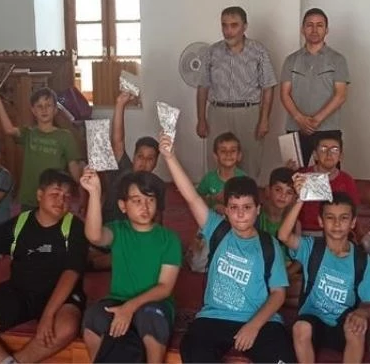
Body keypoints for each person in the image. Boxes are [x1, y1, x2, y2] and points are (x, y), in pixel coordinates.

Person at [161, 133, 296, 363]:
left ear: (258, 209)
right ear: (226, 210)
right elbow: (191, 197)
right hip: (215, 317)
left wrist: (253, 326)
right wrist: (170, 157)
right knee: (193, 350)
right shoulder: (217, 229)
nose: (240, 214)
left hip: (260, 320)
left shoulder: (268, 244)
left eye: (247, 207)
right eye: (234, 207)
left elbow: (278, 294)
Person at [0, 169, 87, 363]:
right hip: (20, 290)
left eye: (66, 196)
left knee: (66, 327)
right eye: (55, 194)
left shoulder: (75, 227)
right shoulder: (19, 224)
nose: (61, 200)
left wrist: (49, 315)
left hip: (61, 296)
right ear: (40, 195)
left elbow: (71, 273)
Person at [80, 168, 182, 363]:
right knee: (94, 318)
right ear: (123, 205)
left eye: (150, 200)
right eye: (137, 201)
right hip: (118, 299)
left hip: (155, 303)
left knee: (150, 318)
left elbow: (165, 287)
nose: (145, 207)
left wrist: (129, 308)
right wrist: (94, 193)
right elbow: (94, 235)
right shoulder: (118, 231)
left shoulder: (169, 239)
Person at [278, 187, 370, 364]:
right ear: (320, 221)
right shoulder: (311, 248)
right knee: (300, 328)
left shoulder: (362, 260)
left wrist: (361, 313)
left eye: (344, 218)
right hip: (313, 319)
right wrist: (301, 199)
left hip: (343, 320)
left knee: (356, 328)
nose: (337, 224)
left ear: (353, 222)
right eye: (330, 217)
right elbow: (284, 235)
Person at [196, 6, 277, 181]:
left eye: (234, 25)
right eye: (224, 25)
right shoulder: (212, 52)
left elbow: (268, 87)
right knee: (217, 164)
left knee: (249, 162)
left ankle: (247, 197)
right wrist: (201, 119)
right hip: (218, 113)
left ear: (244, 26)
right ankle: (216, 198)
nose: (228, 31)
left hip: (248, 114)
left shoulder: (258, 51)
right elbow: (203, 87)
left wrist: (264, 119)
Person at [0, 86, 83, 210]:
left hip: (53, 198)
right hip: (29, 197)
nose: (44, 109)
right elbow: (9, 130)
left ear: (55, 110)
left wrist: (84, 180)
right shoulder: (29, 133)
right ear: (33, 111)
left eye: (48, 105)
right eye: (39, 106)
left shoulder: (65, 136)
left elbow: (75, 172)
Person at [280, 8, 351, 166]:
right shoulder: (291, 60)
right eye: (309, 25)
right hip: (295, 127)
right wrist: (300, 119)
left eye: (319, 25)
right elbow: (284, 94)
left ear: (326, 30)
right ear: (302, 29)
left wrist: (316, 120)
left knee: (330, 174)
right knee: (292, 173)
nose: (314, 30)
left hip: (328, 128)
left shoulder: (338, 60)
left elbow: (340, 95)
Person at [103, 90, 165, 224]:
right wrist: (120, 104)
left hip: (137, 232)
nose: (144, 162)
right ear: (134, 157)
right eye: (140, 156)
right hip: (111, 227)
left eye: (150, 159)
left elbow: (157, 219)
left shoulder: (158, 184)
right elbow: (118, 142)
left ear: (156, 162)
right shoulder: (123, 170)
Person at [295, 133, 361, 237]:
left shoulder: (347, 180)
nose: (329, 154)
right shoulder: (303, 176)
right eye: (323, 149)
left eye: (334, 150)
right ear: (315, 154)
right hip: (305, 234)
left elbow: (353, 213)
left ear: (340, 156)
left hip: (337, 233)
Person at [258, 167, 301, 307]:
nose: (283, 196)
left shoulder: (295, 223)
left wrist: (284, 275)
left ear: (294, 197)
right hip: (260, 268)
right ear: (267, 191)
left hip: (284, 270)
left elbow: (299, 259)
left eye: (289, 192)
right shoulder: (257, 217)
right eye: (278, 190)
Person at [197, 132, 246, 215]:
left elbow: (250, 204)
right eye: (223, 151)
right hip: (213, 219)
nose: (228, 154)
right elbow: (197, 199)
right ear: (216, 157)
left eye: (233, 150)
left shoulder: (244, 179)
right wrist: (213, 201)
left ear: (239, 156)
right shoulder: (209, 178)